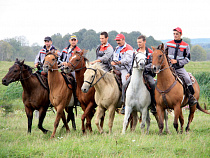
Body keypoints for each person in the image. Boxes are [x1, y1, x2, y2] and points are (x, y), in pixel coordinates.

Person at [120, 35, 156, 114]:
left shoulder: (150, 52)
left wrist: (143, 67)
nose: (139, 44)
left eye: (140, 42)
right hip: (136, 74)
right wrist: (129, 73)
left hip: (146, 73)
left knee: (153, 84)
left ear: (144, 41)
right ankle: (124, 104)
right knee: (124, 85)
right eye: (138, 42)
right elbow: (133, 64)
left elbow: (151, 64)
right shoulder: (135, 52)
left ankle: (154, 105)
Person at [164, 27, 197, 106]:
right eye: (174, 34)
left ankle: (190, 97)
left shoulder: (186, 46)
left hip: (179, 68)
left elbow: (188, 59)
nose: (175, 35)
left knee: (187, 79)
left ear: (181, 34)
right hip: (169, 68)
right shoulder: (167, 44)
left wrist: (177, 62)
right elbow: (163, 56)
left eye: (177, 34)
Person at [58, 35, 81, 106]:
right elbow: (59, 59)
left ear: (77, 41)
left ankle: (77, 98)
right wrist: (62, 63)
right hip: (63, 68)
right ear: (69, 41)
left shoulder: (78, 50)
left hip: (72, 70)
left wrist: (69, 64)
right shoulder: (64, 50)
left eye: (74, 40)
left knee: (75, 80)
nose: (73, 41)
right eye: (72, 40)